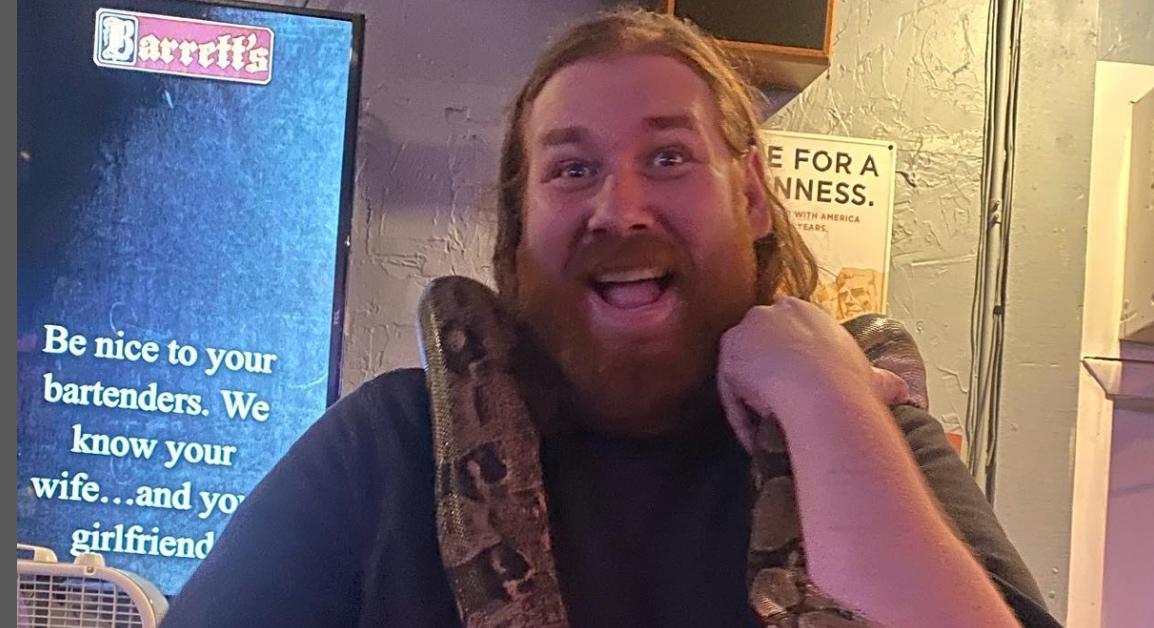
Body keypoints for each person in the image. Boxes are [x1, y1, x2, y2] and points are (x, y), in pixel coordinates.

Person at [163, 9, 1059, 627]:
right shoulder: (388, 446)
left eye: (668, 156)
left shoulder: (866, 413)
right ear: (519, 228)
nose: (621, 208)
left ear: (750, 196)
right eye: (571, 168)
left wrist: (824, 395)